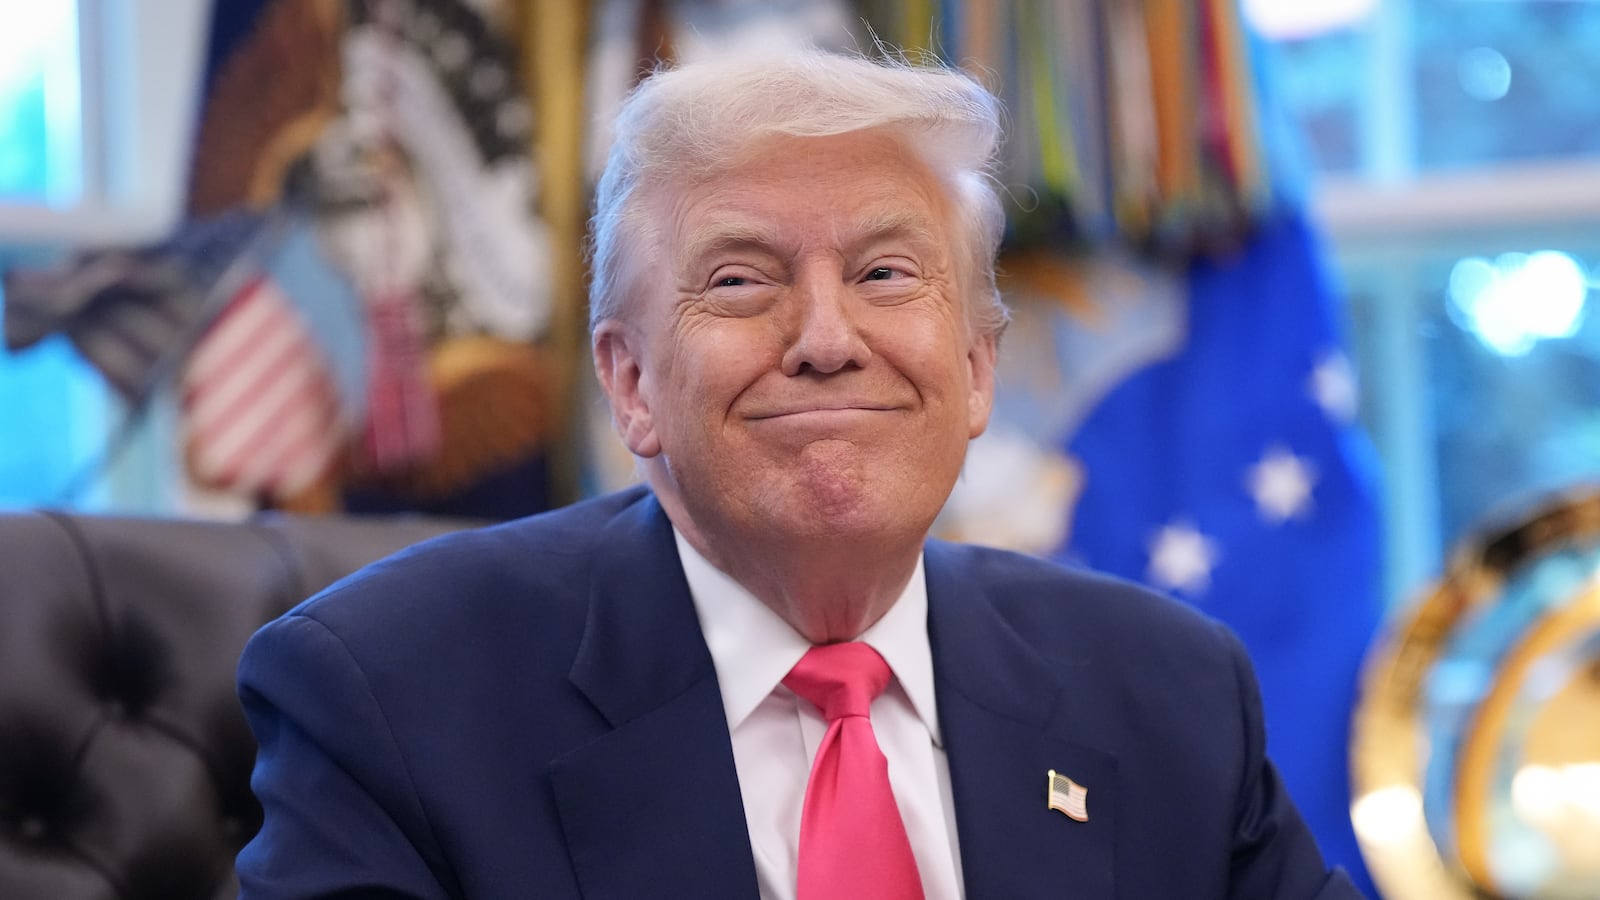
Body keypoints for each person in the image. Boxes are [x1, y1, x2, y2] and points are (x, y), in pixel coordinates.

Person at [235, 49, 1363, 899]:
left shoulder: (1168, 693)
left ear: (976, 371)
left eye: (883, 273)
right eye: (738, 281)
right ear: (629, 383)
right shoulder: (389, 697)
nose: (826, 337)